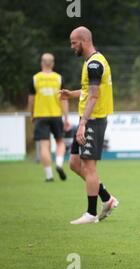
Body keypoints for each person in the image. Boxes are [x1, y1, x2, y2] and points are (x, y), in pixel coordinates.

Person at [59, 26, 119, 225]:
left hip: (93, 120)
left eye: (73, 43)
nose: (72, 47)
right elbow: (89, 90)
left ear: (83, 41)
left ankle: (91, 213)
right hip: (86, 119)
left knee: (89, 166)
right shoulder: (92, 61)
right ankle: (107, 198)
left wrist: (83, 124)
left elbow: (94, 96)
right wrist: (72, 94)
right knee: (74, 163)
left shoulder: (94, 64)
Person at [28, 53, 70, 182]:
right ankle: (58, 163)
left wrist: (32, 114)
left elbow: (31, 100)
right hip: (56, 115)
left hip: (41, 116)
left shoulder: (35, 79)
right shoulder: (59, 78)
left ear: (41, 63)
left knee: (44, 146)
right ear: (52, 64)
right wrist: (66, 117)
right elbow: (64, 99)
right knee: (60, 142)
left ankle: (49, 175)